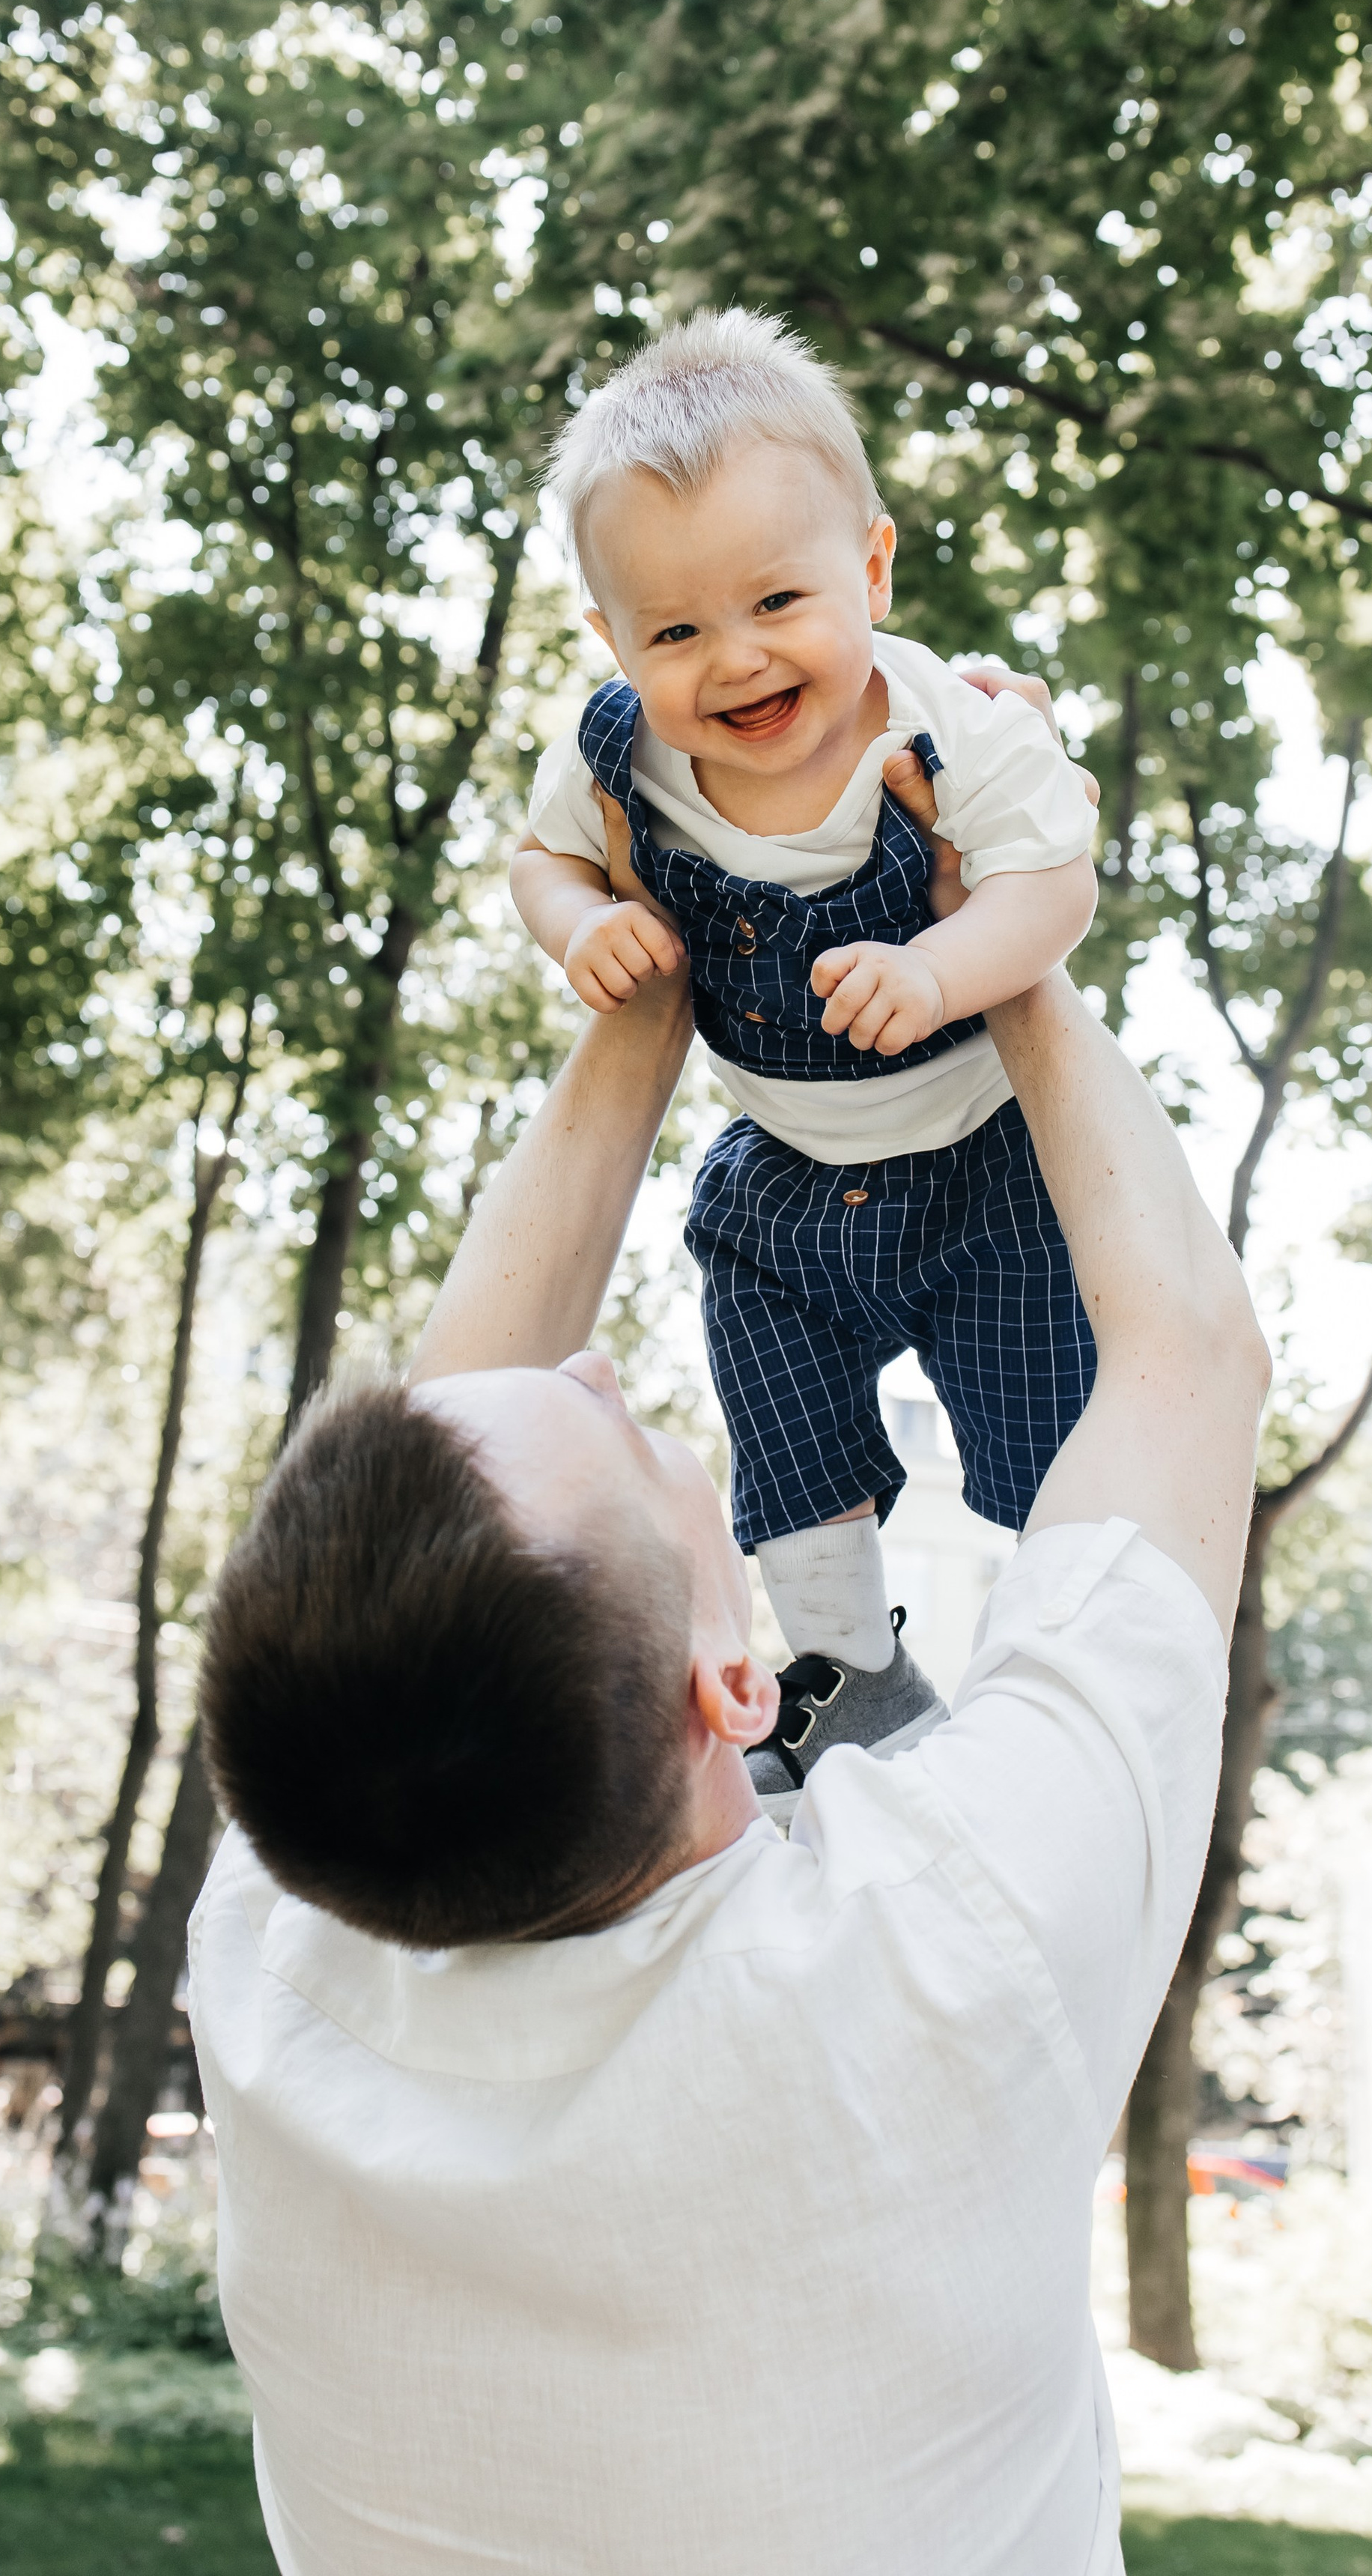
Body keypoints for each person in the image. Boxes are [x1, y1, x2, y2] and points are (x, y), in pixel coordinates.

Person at [189, 795, 1269, 2574]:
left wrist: (657, 976)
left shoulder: (286, 1969)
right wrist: (1003, 941)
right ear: (732, 1687)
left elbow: (443, 1467)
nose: (601, 1362)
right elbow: (1185, 1353)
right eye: (617, 1431)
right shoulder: (947, 1944)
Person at [511, 311, 1101, 1814]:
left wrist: (936, 968)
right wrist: (580, 922)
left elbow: (1052, 886)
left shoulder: (950, 725)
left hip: (984, 1163)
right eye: (675, 631)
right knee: (779, 1424)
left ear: (872, 571)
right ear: (613, 643)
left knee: (1046, 1437)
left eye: (777, 598)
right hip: (787, 1171)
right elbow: (539, 854)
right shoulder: (618, 758)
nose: (738, 657)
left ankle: (1062, 1672)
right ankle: (845, 1671)